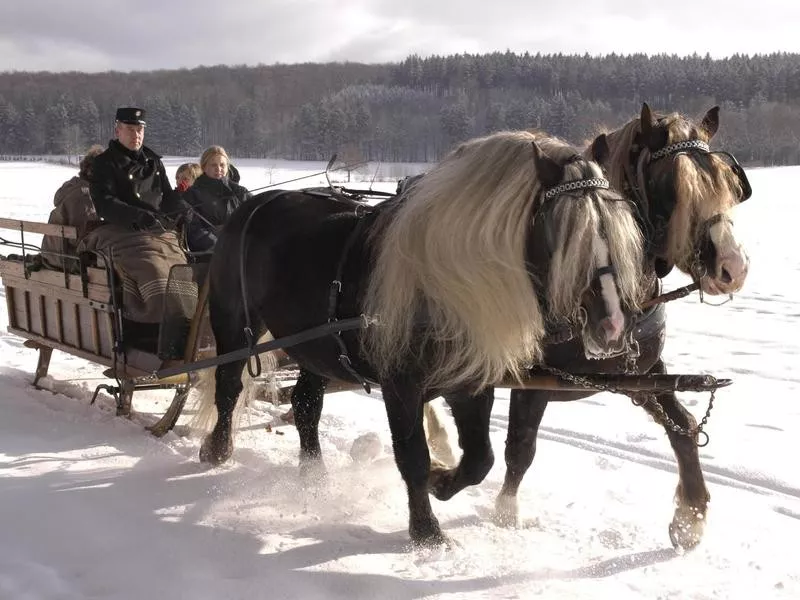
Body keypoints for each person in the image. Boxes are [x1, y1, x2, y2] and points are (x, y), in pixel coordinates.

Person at [81, 107, 192, 350]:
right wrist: (138, 216)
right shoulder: (104, 163)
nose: (136, 135)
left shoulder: (154, 161)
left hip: (157, 233)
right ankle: (150, 337)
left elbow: (167, 196)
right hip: (119, 232)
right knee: (154, 270)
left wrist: (183, 204)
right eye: (130, 129)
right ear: (117, 130)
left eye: (140, 129)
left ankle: (185, 330)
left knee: (181, 271)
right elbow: (105, 203)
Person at [40, 144, 105, 271]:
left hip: (54, 254)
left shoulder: (73, 187)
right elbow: (81, 239)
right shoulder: (83, 196)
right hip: (67, 258)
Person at [183, 145, 252, 253]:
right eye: (213, 165)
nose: (218, 169)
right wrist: (219, 245)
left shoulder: (240, 192)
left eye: (222, 165)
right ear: (204, 167)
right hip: (209, 255)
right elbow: (193, 231)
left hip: (242, 251)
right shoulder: (192, 195)